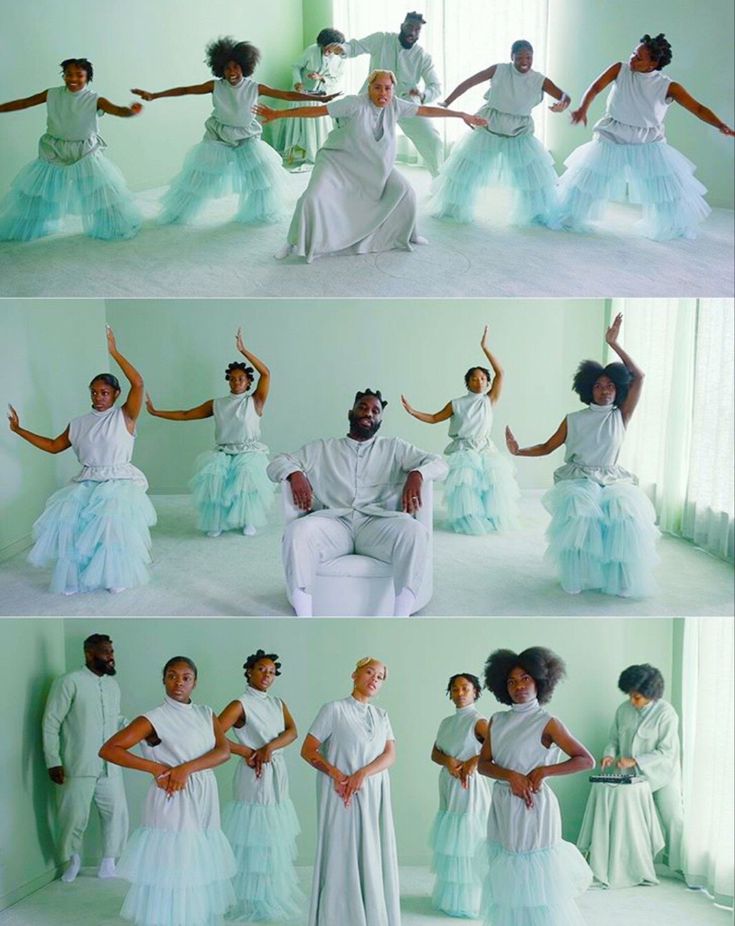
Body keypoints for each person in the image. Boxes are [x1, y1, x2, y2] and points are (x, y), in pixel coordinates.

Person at [256, 70, 486, 262]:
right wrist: (278, 114)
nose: (383, 93)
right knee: (312, 198)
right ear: (369, 88)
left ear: (393, 90)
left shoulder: (396, 105)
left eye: (387, 88)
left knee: (405, 191)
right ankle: (293, 242)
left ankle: (407, 235)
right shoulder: (353, 104)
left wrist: (460, 114)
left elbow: (425, 110)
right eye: (377, 87)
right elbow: (317, 111)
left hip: (374, 165)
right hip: (337, 162)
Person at [505, 313, 659, 597]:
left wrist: (614, 344)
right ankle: (578, 576)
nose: (605, 390)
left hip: (612, 477)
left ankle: (620, 579)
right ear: (589, 389)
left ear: (617, 389)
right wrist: (519, 450)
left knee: (624, 515)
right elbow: (548, 447)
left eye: (610, 385)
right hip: (579, 477)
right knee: (580, 513)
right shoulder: (574, 419)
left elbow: (639, 376)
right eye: (599, 386)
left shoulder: (621, 415)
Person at [266, 388, 448, 616]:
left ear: (380, 419)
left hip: (378, 526)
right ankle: (304, 616)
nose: (369, 413)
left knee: (414, 531)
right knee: (297, 531)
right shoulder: (323, 448)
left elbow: (440, 464)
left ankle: (400, 616)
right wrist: (295, 473)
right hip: (334, 524)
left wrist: (417, 474)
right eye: (363, 407)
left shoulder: (394, 447)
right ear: (350, 412)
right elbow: (276, 463)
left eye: (375, 411)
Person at [8, 326, 156, 594]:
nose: (98, 397)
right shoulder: (78, 423)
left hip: (118, 481)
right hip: (88, 479)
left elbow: (139, 383)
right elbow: (54, 446)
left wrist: (114, 352)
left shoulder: (125, 416)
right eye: (94, 392)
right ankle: (75, 576)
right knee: (75, 525)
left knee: (111, 527)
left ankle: (114, 575)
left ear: (115, 394)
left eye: (104, 392)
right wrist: (19, 430)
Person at [131, 37, 338, 225]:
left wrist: (319, 98)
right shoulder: (215, 86)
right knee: (198, 177)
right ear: (220, 68)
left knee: (261, 177)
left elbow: (287, 95)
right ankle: (177, 213)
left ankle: (261, 212)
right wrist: (155, 95)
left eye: (236, 67)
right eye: (227, 68)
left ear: (245, 67)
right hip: (218, 135)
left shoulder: (255, 87)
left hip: (246, 135)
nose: (232, 72)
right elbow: (186, 90)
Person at [557, 33, 734, 240]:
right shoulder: (620, 69)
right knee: (589, 178)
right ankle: (569, 216)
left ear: (653, 64)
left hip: (648, 141)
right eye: (633, 53)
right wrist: (582, 109)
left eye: (639, 58)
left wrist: (720, 124)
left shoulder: (669, 86)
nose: (632, 58)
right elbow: (596, 87)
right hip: (613, 133)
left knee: (665, 187)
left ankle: (673, 225)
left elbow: (697, 108)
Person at [100, 656, 235, 926]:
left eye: (186, 677)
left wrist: (186, 768)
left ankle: (194, 917)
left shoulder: (206, 713)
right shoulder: (153, 718)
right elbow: (109, 749)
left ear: (195, 682)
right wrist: (153, 767)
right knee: (175, 859)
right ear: (163, 679)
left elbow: (224, 751)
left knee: (197, 858)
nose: (178, 683)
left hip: (203, 792)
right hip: (172, 795)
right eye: (172, 676)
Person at [479, 647, 594, 925]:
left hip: (533, 805)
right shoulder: (497, 720)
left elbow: (585, 760)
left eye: (525, 678)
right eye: (511, 681)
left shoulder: (547, 722)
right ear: (502, 685)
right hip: (504, 804)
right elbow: (483, 765)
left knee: (533, 873)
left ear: (540, 681)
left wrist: (543, 771)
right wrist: (511, 776)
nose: (519, 686)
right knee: (507, 870)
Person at [145, 327, 272, 537]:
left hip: (248, 453)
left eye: (240, 378)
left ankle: (248, 519)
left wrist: (243, 350)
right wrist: (156, 412)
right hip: (223, 451)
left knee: (245, 479)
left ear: (248, 381)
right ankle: (217, 521)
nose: (236, 381)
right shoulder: (218, 404)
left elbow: (266, 373)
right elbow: (186, 414)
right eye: (232, 378)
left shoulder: (255, 401)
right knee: (215, 481)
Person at [301, 657, 399, 926]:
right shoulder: (333, 709)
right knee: (341, 847)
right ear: (354, 674)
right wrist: (338, 775)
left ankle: (371, 913)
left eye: (380, 677)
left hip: (373, 792)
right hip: (339, 792)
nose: (374, 679)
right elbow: (308, 750)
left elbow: (390, 755)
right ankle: (339, 915)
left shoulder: (382, 716)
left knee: (371, 847)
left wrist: (362, 774)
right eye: (370, 672)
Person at [0, 57, 142, 241]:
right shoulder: (52, 94)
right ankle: (30, 226)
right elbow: (24, 103)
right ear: (63, 76)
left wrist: (130, 111)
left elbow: (117, 110)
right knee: (39, 189)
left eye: (79, 75)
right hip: (53, 147)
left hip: (84, 150)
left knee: (99, 189)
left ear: (87, 77)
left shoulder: (95, 99)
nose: (73, 79)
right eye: (68, 74)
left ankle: (114, 224)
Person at [431, 39, 570, 226]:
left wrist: (562, 105)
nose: (524, 61)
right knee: (465, 170)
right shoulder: (499, 70)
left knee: (533, 178)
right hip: (490, 125)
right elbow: (470, 82)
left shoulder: (539, 79)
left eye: (528, 57)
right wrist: (447, 101)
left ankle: (537, 213)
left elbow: (564, 96)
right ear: (511, 57)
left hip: (520, 132)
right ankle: (451, 207)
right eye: (519, 57)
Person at [402, 325, 519, 534]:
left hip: (485, 448)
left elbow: (501, 372)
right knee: (467, 487)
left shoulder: (489, 399)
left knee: (492, 484)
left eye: (483, 378)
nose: (479, 381)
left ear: (487, 382)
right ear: (467, 382)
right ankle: (470, 519)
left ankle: (490, 518)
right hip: (464, 450)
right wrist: (413, 411)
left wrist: (485, 347)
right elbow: (435, 417)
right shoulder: (456, 403)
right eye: (474, 378)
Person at [218, 649, 303, 922]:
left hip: (276, 770)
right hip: (253, 774)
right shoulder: (240, 704)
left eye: (271, 671)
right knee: (255, 834)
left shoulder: (278, 703)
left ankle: (271, 892)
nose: (267, 675)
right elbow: (211, 734)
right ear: (249, 672)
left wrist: (269, 747)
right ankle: (249, 898)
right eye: (261, 670)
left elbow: (292, 731)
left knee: (274, 833)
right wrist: (246, 751)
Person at [42, 634, 129, 883]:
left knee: (117, 814)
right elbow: (51, 722)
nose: (111, 657)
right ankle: (73, 860)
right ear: (89, 654)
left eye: (112, 651)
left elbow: (116, 719)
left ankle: (109, 862)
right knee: (73, 818)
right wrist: (53, 760)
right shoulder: (69, 682)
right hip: (76, 764)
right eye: (105, 652)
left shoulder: (113, 686)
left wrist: (138, 729)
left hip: (110, 766)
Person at [328, 12, 445, 176]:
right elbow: (355, 46)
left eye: (417, 29)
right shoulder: (381, 40)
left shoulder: (422, 56)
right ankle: (340, 174)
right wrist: (343, 48)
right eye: (409, 27)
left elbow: (436, 86)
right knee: (346, 128)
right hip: (372, 101)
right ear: (402, 26)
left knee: (433, 141)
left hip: (406, 104)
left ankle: (439, 181)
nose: (412, 32)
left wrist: (423, 95)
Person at [600, 664, 683, 870]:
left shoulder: (666, 713)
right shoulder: (623, 709)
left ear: (651, 694)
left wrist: (636, 760)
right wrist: (609, 755)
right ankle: (636, 867)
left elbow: (667, 751)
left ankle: (680, 866)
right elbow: (613, 739)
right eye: (630, 695)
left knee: (672, 819)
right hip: (632, 777)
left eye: (637, 697)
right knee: (632, 823)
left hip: (663, 775)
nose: (632, 701)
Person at [429, 672, 491, 918]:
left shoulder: (479, 721)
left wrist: (473, 761)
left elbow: (496, 747)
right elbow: (434, 753)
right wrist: (449, 761)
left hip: (470, 785)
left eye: (465, 688)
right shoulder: (446, 722)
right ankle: (450, 896)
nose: (460, 693)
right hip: (449, 783)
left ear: (475, 691)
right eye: (455, 689)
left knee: (468, 837)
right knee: (451, 838)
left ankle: (471, 900)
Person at [281, 28, 346, 166]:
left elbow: (336, 78)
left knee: (318, 126)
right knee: (300, 125)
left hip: (321, 95)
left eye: (331, 49)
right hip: (302, 93)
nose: (327, 52)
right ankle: (297, 155)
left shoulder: (340, 59)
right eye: (324, 48)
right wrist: (297, 82)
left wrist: (321, 78)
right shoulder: (311, 50)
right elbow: (296, 67)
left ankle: (317, 153)